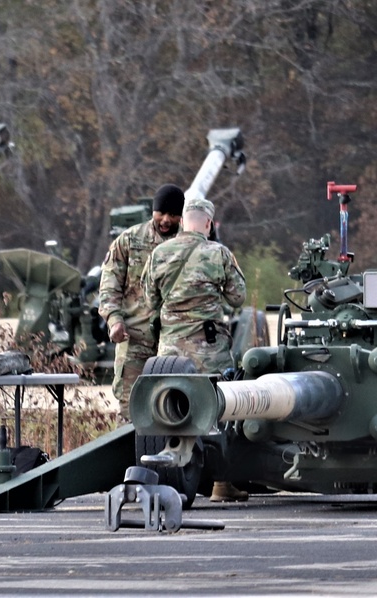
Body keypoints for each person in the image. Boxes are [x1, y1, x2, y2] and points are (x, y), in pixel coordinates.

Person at [142, 196, 248, 502]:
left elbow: (149, 301)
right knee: (220, 411)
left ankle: (168, 476)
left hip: (169, 353)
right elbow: (238, 297)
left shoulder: (159, 253)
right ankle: (222, 484)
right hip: (208, 349)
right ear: (209, 224)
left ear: (183, 222)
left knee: (170, 408)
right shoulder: (218, 254)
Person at [98, 183, 185, 423]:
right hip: (135, 338)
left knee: (174, 410)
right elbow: (109, 284)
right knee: (130, 411)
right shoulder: (129, 241)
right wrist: (114, 320)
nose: (166, 220)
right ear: (153, 211)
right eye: (161, 213)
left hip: (176, 340)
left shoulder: (188, 246)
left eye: (173, 215)